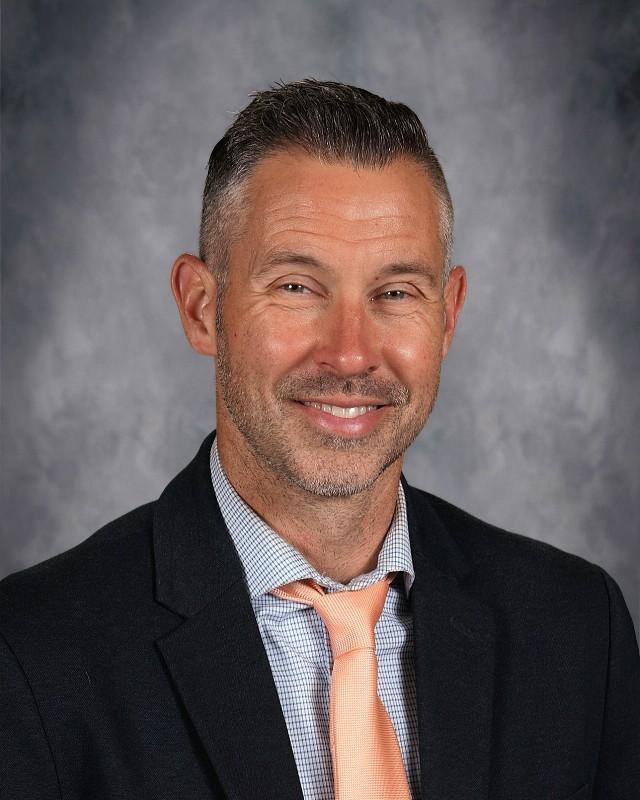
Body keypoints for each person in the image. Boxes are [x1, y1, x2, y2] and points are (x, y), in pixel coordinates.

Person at [0, 79, 638, 800]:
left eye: (396, 293)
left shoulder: (579, 631)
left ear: (449, 317)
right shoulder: (30, 658)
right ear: (202, 307)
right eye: (298, 287)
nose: (350, 353)